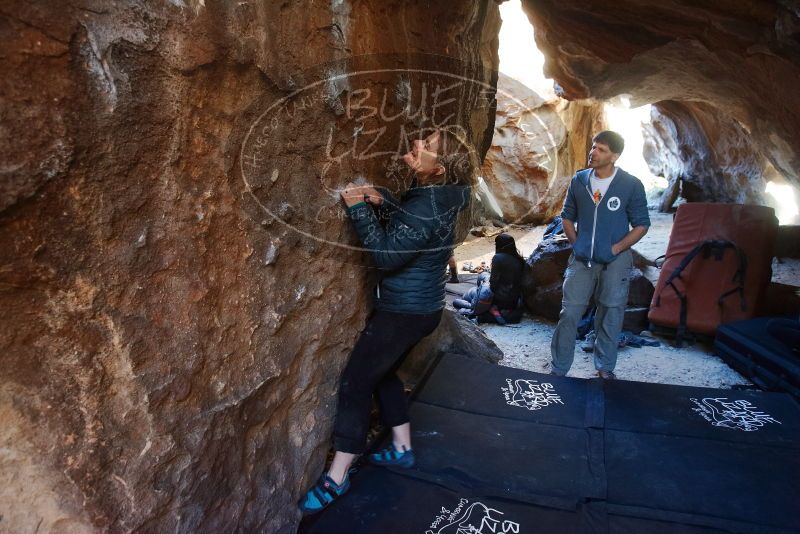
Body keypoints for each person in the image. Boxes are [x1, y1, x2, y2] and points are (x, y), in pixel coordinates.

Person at [298, 128, 475, 514]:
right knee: (384, 373)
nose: (417, 145)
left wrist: (358, 208)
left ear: (439, 167)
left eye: (426, 147)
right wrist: (386, 200)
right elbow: (418, 227)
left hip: (401, 313)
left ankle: (337, 478)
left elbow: (388, 255)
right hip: (423, 309)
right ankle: (402, 447)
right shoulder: (446, 196)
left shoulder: (426, 205)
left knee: (356, 382)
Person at [550, 130, 650, 379]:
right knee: (569, 312)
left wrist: (615, 249)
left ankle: (604, 367)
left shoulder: (630, 184)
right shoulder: (579, 180)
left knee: (611, 311)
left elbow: (641, 224)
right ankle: (559, 368)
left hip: (616, 261)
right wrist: (577, 244)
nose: (593, 152)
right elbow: (567, 216)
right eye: (593, 147)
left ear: (615, 155)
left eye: (601, 149)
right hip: (582, 260)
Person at [488, 233, 525, 324]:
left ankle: (494, 309)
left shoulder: (497, 258)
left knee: (482, 279)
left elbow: (493, 283)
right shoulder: (519, 259)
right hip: (514, 300)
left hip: (500, 299)